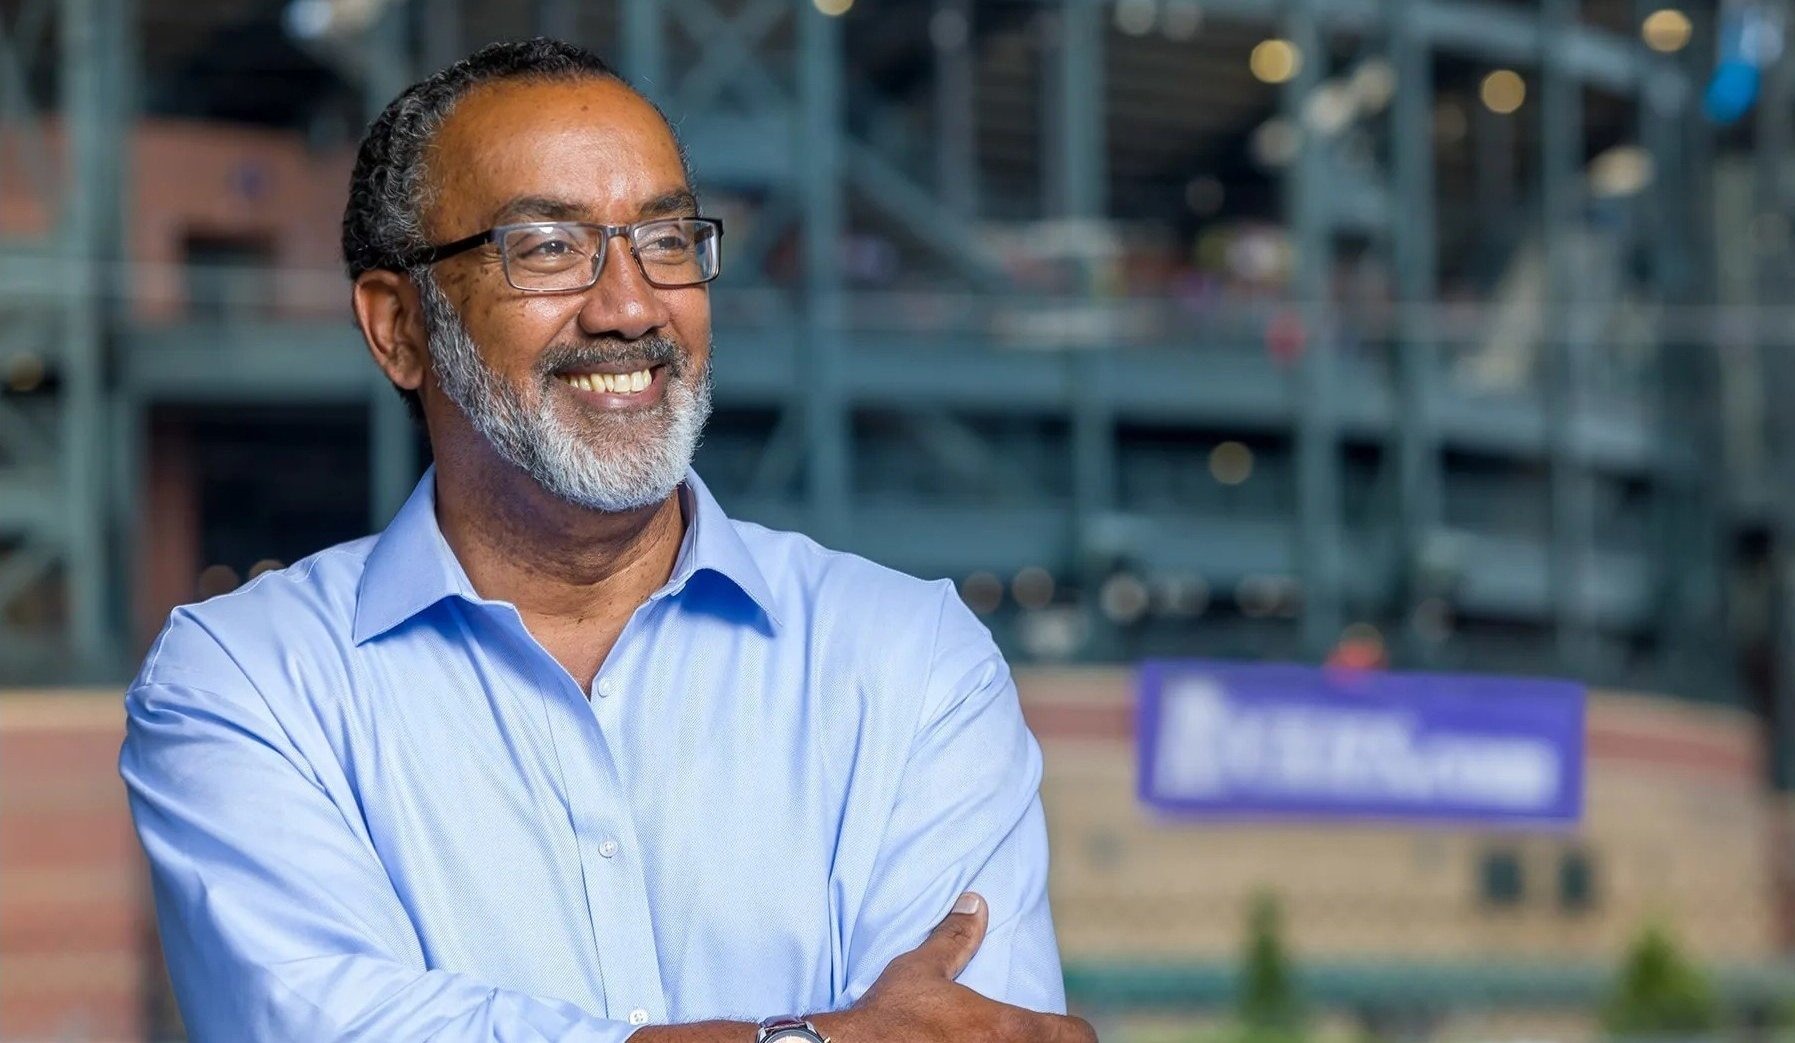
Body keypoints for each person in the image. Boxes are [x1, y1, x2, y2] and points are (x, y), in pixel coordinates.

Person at [121, 38, 1093, 1043]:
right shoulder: (249, 681)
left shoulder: (911, 661)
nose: (631, 306)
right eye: (545, 247)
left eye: (667, 243)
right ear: (398, 327)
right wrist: (810, 1037)